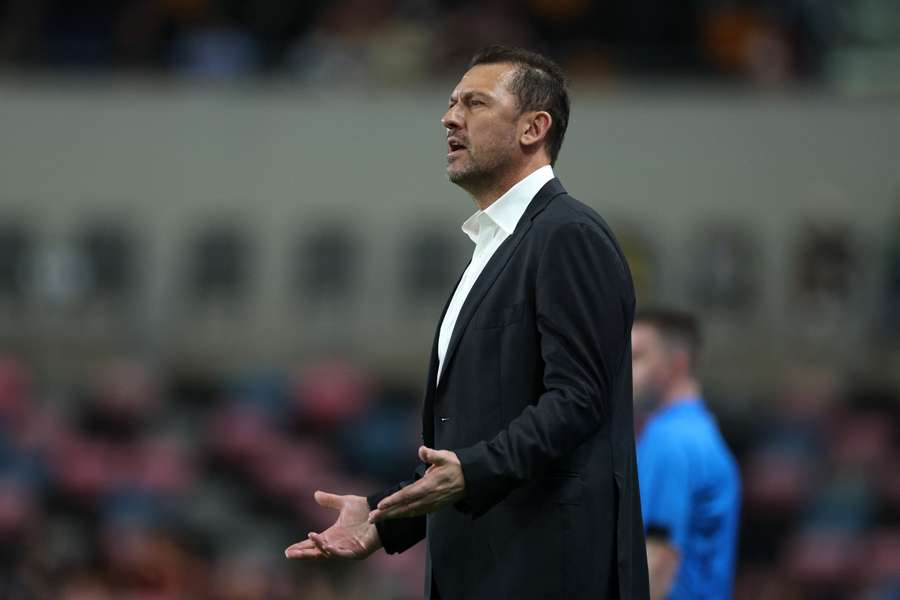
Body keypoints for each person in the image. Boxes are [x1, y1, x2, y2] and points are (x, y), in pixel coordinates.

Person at [285, 45, 650, 600]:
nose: (449, 118)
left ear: (533, 128)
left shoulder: (568, 235)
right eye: (452, 103)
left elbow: (579, 400)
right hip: (484, 570)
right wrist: (384, 521)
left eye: (475, 103)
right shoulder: (494, 246)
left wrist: (474, 471)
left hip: (544, 572)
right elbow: (477, 437)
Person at [631, 308, 741, 600]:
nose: (623, 370)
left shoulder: (669, 440)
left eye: (637, 358)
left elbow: (657, 562)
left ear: (676, 364)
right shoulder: (700, 433)